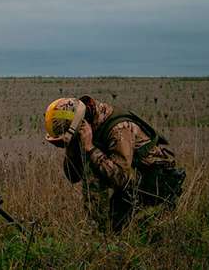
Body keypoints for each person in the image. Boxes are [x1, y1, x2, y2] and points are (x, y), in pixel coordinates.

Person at [44, 95, 185, 232]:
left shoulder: (119, 129)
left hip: (155, 183)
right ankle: (100, 230)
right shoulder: (90, 124)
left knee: (139, 229)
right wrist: (71, 146)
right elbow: (72, 176)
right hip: (133, 180)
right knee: (115, 225)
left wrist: (90, 149)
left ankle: (104, 231)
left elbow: (122, 179)